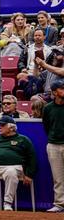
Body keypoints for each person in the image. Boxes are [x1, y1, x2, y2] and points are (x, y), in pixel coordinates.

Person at [43, 79, 64, 212]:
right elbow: (46, 126)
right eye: (62, 88)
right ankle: (60, 204)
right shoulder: (48, 108)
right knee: (58, 178)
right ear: (55, 92)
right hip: (53, 145)